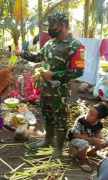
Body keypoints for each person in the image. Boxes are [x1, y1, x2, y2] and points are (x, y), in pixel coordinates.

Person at [13, 12, 84, 158]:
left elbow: (78, 71)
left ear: (62, 25)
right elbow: (37, 56)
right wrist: (22, 53)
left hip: (60, 92)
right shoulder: (50, 44)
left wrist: (54, 74)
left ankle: (58, 147)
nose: (49, 29)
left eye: (52, 26)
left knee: (61, 119)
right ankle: (48, 140)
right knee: (48, 116)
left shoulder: (75, 45)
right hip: (45, 89)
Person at [68, 103, 108, 173]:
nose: (88, 115)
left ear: (98, 120)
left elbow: (97, 133)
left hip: (89, 138)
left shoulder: (99, 124)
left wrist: (101, 139)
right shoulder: (81, 120)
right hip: (75, 138)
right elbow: (75, 134)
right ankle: (82, 161)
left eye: (91, 115)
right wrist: (92, 139)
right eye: (89, 112)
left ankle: (91, 153)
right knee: (84, 144)